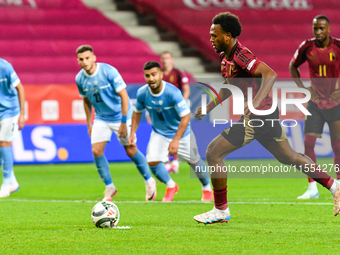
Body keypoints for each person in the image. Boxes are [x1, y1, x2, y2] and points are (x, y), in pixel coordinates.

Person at [193, 12, 340, 224]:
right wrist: (209, 106)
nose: (211, 39)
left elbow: (270, 74)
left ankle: (220, 210)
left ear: (227, 35)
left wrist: (254, 103)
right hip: (266, 113)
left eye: (214, 35)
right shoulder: (226, 57)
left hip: (258, 115)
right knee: (288, 156)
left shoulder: (241, 54)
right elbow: (230, 87)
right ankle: (334, 187)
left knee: (213, 153)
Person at [75, 45, 156, 201]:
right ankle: (109, 187)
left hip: (121, 115)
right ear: (78, 61)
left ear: (94, 58)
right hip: (101, 118)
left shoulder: (108, 71)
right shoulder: (80, 78)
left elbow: (124, 97)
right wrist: (89, 123)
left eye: (87, 58)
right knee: (96, 151)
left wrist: (124, 122)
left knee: (131, 150)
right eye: (81, 59)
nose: (84, 62)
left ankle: (149, 181)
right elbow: (86, 100)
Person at [128, 61, 213, 202]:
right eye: (148, 75)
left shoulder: (172, 92)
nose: (151, 78)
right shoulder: (142, 93)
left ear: (161, 75)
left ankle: (207, 188)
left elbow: (186, 117)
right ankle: (171, 185)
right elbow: (137, 113)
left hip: (182, 133)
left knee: (194, 161)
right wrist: (132, 133)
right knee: (152, 161)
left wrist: (176, 140)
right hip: (159, 133)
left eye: (154, 74)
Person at [289, 15, 340, 199]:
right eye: (315, 28)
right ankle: (312, 188)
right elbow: (292, 66)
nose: (318, 32)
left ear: (329, 29)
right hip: (315, 104)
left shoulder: (338, 46)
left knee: (338, 146)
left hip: (335, 103)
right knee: (308, 145)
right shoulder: (307, 47)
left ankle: (339, 185)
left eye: (322, 28)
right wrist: (303, 89)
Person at [158, 51, 191, 174]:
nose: (165, 60)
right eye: (163, 58)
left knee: (175, 134)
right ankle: (167, 162)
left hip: (176, 108)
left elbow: (186, 90)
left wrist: (181, 105)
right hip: (162, 109)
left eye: (167, 58)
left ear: (172, 59)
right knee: (163, 135)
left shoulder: (178, 72)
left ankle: (175, 162)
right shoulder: (159, 74)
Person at [0, 58, 25, 198]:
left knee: (4, 143)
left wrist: (22, 114)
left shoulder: (5, 67)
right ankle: (13, 182)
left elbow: (20, 88)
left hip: (9, 111)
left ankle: (6, 185)